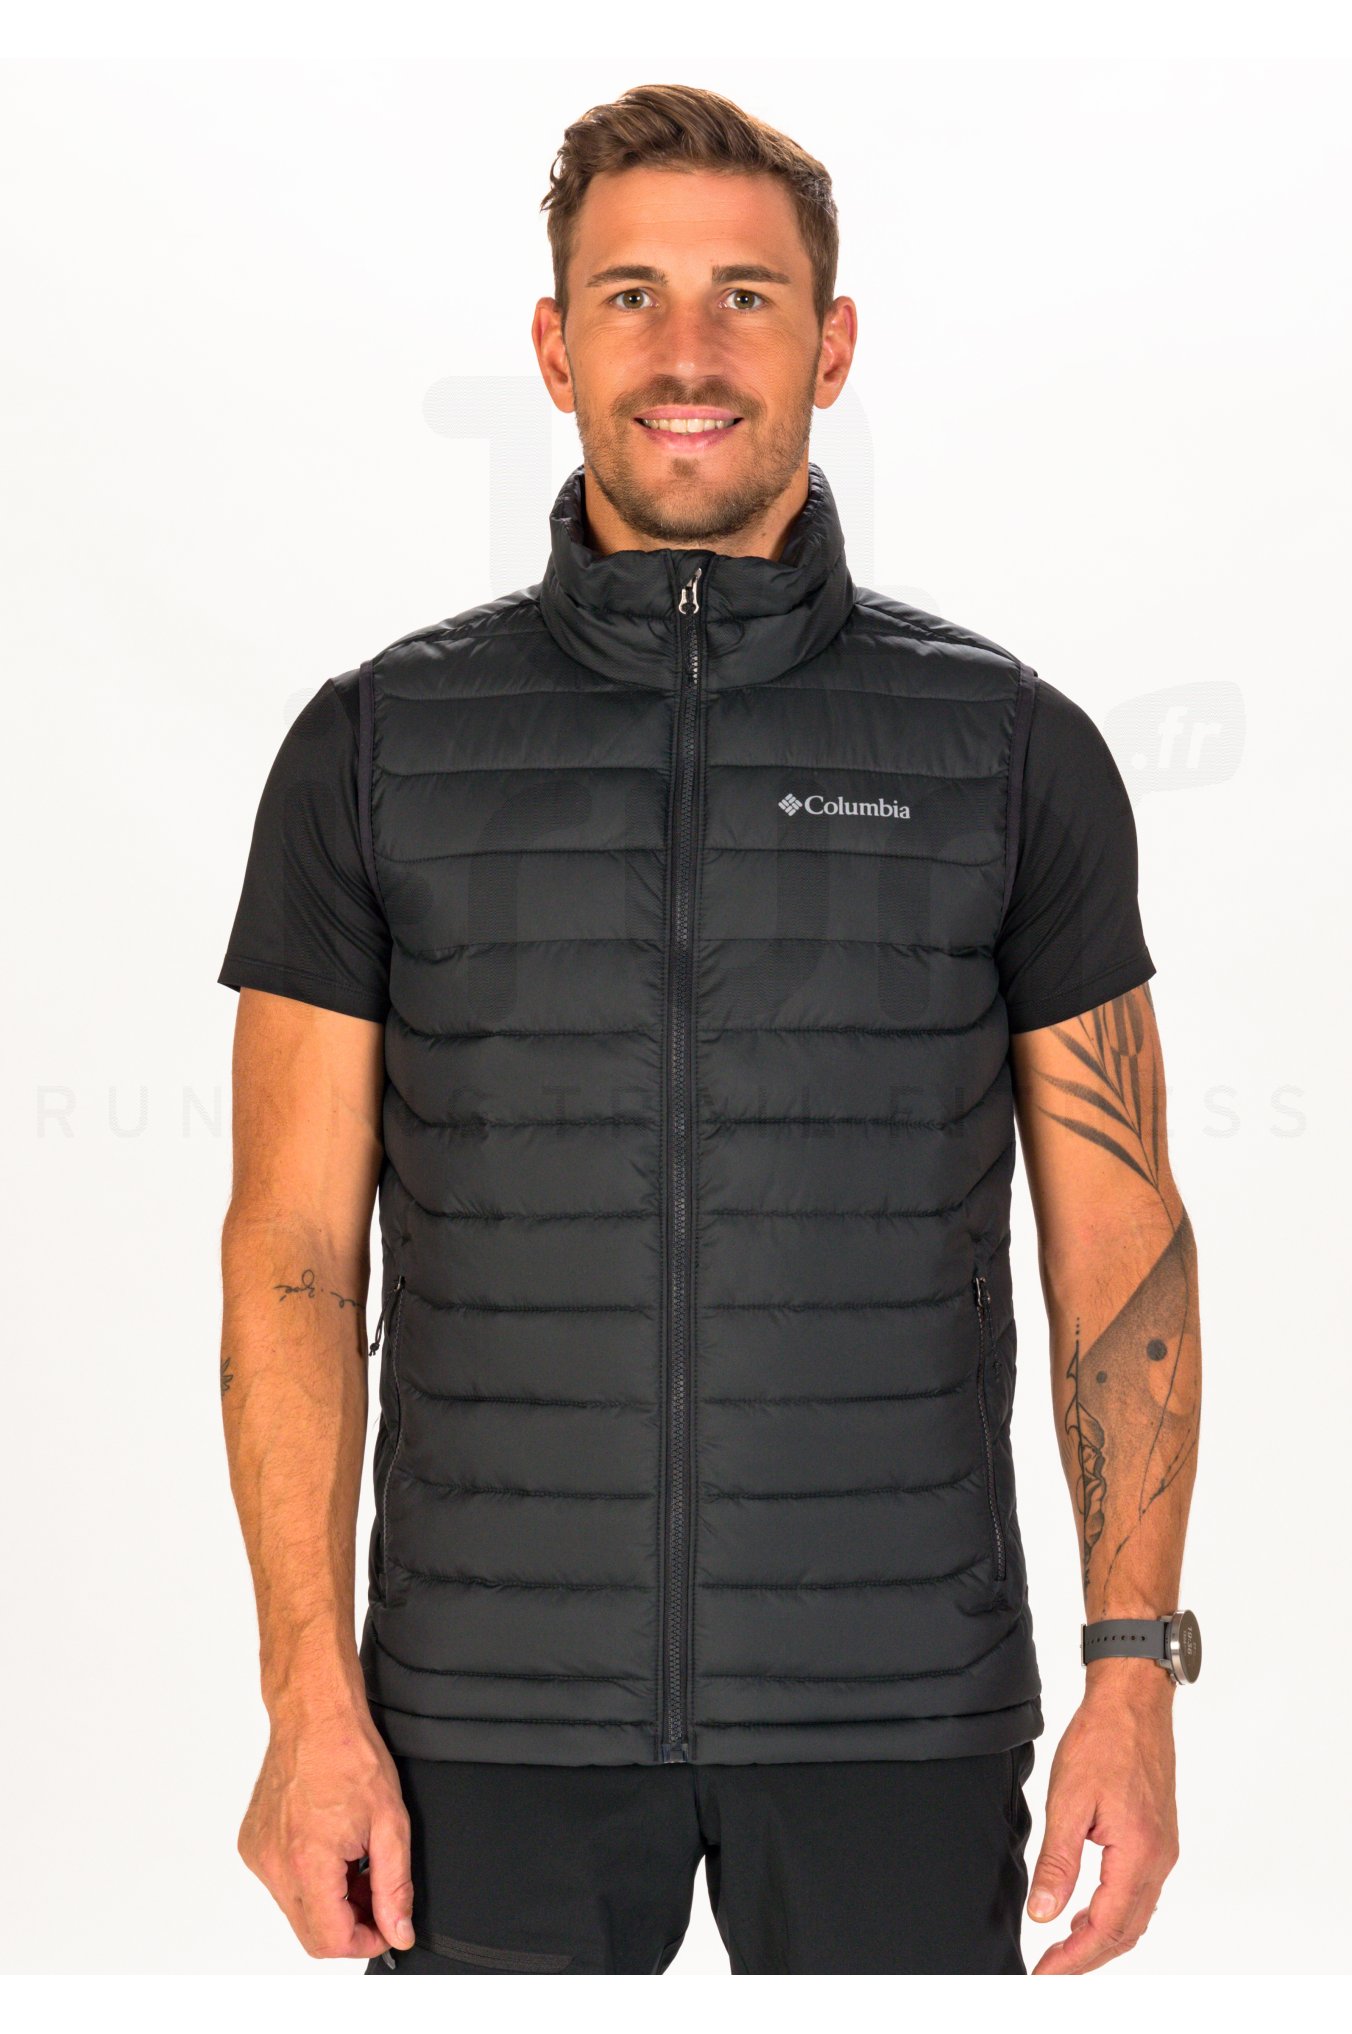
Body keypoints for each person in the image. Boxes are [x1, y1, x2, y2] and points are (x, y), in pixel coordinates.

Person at [217, 83, 1201, 1977]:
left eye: (746, 297)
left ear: (833, 345)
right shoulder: (375, 751)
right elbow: (289, 1258)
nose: (688, 353)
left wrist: (1133, 1675)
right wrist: (307, 1699)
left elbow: (1123, 1248)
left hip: (896, 1707)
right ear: (552, 345)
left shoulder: (1008, 753)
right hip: (478, 1719)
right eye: (632, 297)